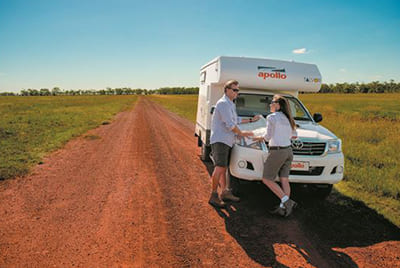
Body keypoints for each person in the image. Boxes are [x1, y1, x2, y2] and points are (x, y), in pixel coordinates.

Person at [208, 80, 259, 208]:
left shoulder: (230, 103)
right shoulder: (223, 104)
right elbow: (230, 125)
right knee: (219, 167)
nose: (237, 92)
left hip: (227, 140)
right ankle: (213, 195)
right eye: (234, 90)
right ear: (227, 90)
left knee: (224, 167)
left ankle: (224, 192)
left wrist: (250, 120)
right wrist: (243, 134)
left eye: (238, 90)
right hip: (221, 140)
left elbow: (235, 120)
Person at [253, 94, 298, 217]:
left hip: (277, 151)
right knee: (284, 179)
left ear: (278, 105)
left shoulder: (272, 117)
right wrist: (282, 135)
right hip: (288, 151)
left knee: (266, 179)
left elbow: (267, 137)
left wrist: (256, 137)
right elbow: (294, 135)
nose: (270, 104)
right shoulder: (289, 118)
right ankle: (283, 208)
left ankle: (286, 201)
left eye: (272, 102)